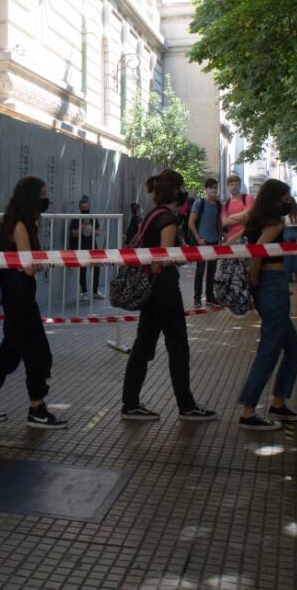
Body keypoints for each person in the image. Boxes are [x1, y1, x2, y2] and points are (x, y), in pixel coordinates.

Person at [0, 176, 68, 429]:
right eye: (43, 193)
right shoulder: (20, 226)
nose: (47, 199)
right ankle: (37, 409)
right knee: (38, 353)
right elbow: (29, 268)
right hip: (19, 297)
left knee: (10, 352)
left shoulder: (21, 223)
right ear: (32, 197)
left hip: (18, 296)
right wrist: (45, 261)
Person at [121, 169, 217, 423]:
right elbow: (162, 259)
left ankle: (130, 404)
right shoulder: (167, 220)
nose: (185, 193)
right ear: (175, 190)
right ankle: (186, 406)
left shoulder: (152, 215)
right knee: (178, 349)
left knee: (143, 347)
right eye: (182, 188)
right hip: (164, 290)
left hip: (151, 291)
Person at [234, 178, 297, 430]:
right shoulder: (275, 222)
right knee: (269, 350)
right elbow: (258, 251)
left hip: (269, 286)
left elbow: (235, 242)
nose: (289, 202)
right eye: (286, 198)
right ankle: (248, 411)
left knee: (295, 349)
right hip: (272, 285)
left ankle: (278, 403)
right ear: (276, 199)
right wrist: (253, 282)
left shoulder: (255, 218)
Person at [189, 177, 222, 306]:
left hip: (214, 241)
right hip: (202, 242)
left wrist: (220, 237)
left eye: (215, 187)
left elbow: (218, 222)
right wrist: (198, 238)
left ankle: (210, 297)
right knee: (200, 270)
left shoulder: (218, 205)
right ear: (206, 189)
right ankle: (197, 298)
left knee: (212, 271)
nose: (213, 190)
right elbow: (191, 222)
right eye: (210, 188)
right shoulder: (199, 203)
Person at [68, 195, 102, 300]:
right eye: (83, 208)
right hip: (80, 247)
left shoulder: (93, 218)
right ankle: (83, 292)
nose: (85, 210)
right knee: (83, 269)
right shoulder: (75, 219)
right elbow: (73, 234)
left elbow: (99, 232)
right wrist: (83, 225)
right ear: (80, 208)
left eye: (87, 208)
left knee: (97, 267)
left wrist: (91, 230)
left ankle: (95, 292)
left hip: (92, 246)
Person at [220, 174, 254, 245]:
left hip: (245, 237)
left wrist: (230, 217)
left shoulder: (248, 197)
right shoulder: (225, 203)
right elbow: (224, 223)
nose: (234, 187)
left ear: (240, 186)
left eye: (236, 185)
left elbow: (249, 214)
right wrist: (244, 214)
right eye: (231, 185)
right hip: (230, 238)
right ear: (228, 187)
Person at [281, 200, 297, 284]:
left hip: (287, 231)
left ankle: (288, 278)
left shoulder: (284, 211)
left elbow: (282, 222)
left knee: (287, 257)